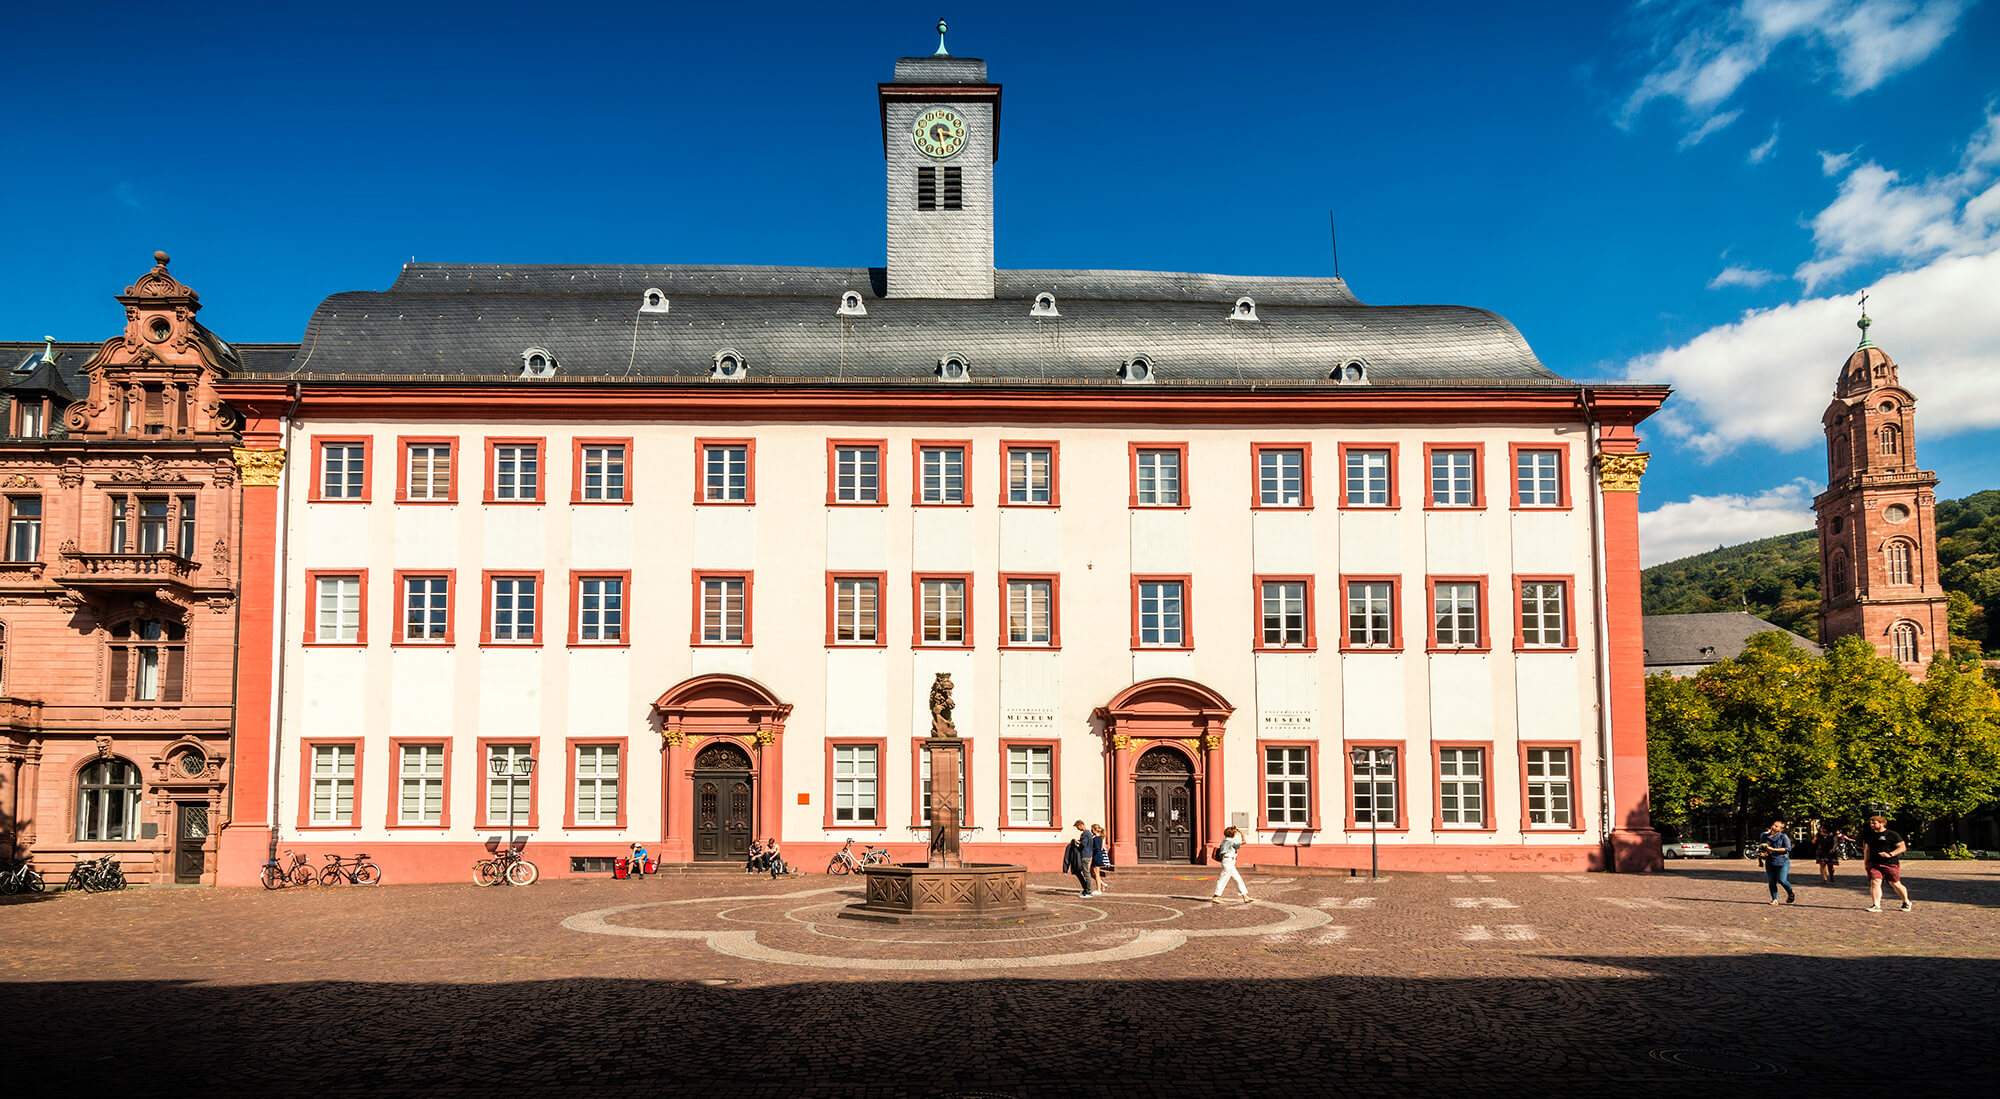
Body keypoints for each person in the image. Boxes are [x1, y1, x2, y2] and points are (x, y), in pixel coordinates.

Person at [1862, 814, 1912, 913]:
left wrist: (1890, 854)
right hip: (1874, 863)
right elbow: (1867, 849)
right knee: (1875, 882)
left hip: (1889, 863)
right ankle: (1876, 905)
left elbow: (1902, 847)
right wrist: (1866, 862)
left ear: (1882, 823)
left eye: (1874, 823)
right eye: (1871, 823)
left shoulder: (1892, 835)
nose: (1871, 824)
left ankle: (1906, 901)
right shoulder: (1869, 835)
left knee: (1895, 883)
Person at [1756, 818, 1795, 905]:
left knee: (1782, 880)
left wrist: (1774, 849)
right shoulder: (1765, 836)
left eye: (1777, 826)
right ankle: (1775, 899)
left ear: (1781, 829)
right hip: (1770, 861)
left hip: (1782, 860)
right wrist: (1762, 854)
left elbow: (1788, 848)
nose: (1774, 827)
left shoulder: (1783, 836)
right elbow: (1762, 847)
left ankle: (1790, 893)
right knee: (1771, 881)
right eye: (1773, 825)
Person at [1211, 825, 1250, 903]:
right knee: (1223, 879)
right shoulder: (1230, 841)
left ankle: (1245, 896)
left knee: (1238, 879)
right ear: (1233, 834)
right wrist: (1241, 833)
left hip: (1228, 861)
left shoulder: (1225, 840)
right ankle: (1216, 896)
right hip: (1228, 861)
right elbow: (1244, 842)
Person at [1068, 820, 1100, 897]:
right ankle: (1087, 889)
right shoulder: (1088, 833)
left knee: (1086, 874)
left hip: (1085, 855)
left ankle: (1088, 891)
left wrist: (1077, 843)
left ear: (1081, 825)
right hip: (1087, 855)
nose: (1078, 829)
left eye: (1078, 827)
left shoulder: (1085, 833)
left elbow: (1084, 844)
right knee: (1085, 873)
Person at [1089, 823, 1112, 895]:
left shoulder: (1096, 839)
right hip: (1098, 856)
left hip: (1097, 857)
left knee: (1096, 874)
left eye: (1092, 830)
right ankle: (1102, 883)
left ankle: (1099, 890)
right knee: (1091, 872)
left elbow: (1097, 849)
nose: (1091, 831)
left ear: (1095, 830)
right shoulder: (1100, 838)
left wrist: (1090, 848)